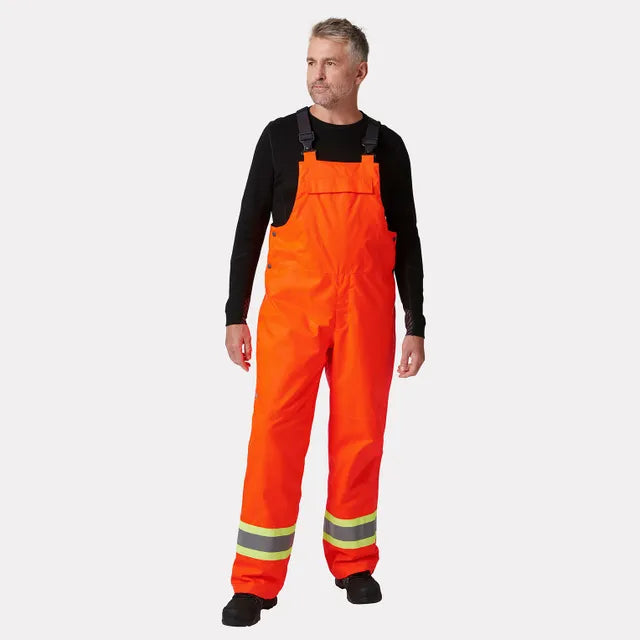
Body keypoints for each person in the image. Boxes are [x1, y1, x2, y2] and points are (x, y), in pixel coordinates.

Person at [222, 17, 426, 627]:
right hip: (292, 316)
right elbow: (249, 228)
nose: (317, 74)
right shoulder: (280, 138)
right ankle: (255, 581)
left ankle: (354, 563)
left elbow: (408, 239)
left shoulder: (387, 147)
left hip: (367, 314)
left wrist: (416, 322)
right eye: (311, 62)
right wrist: (235, 314)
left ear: (360, 71)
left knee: (361, 436)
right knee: (274, 439)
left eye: (330, 63)